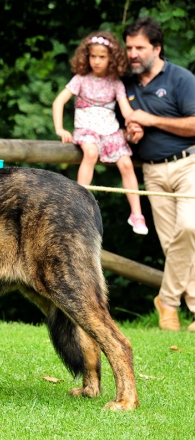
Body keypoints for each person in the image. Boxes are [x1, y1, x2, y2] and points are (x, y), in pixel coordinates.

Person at [121, 17, 195, 331]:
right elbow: (123, 125)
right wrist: (131, 131)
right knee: (174, 245)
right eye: (129, 48)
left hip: (188, 164)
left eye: (139, 48)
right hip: (151, 172)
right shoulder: (124, 83)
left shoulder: (181, 78)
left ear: (157, 48)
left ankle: (166, 300)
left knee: (190, 228)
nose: (133, 54)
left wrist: (149, 119)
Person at [52, 30, 148, 235]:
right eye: (93, 56)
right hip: (87, 128)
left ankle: (136, 213)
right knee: (91, 153)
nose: (96, 61)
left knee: (126, 163)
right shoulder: (80, 79)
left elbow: (127, 111)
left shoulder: (115, 83)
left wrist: (134, 126)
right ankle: (76, 206)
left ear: (111, 59)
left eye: (102, 57)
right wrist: (60, 128)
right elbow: (59, 101)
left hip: (110, 130)